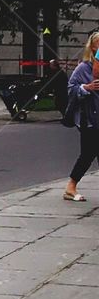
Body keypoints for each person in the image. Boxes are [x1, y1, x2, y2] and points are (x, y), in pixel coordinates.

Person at [63, 31, 99, 202]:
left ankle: (71, 187)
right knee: (87, 154)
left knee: (90, 153)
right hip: (89, 120)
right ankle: (70, 187)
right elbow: (71, 90)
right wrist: (87, 87)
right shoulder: (84, 68)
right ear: (93, 47)